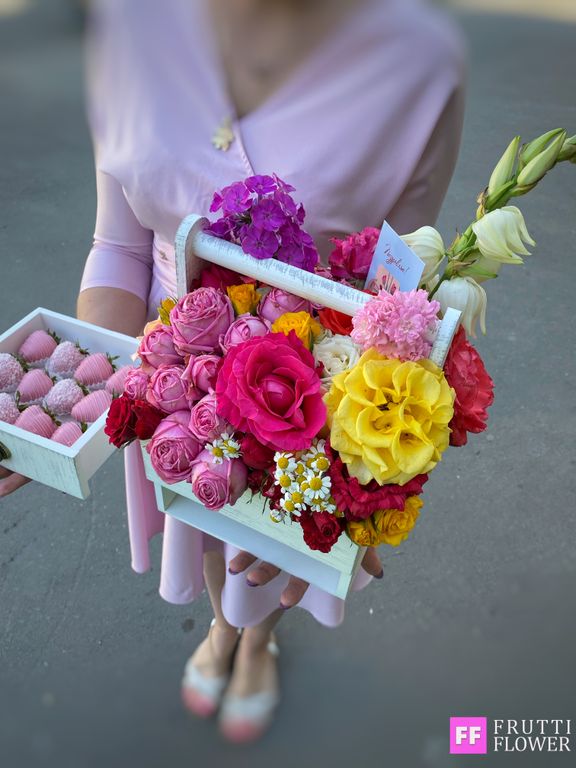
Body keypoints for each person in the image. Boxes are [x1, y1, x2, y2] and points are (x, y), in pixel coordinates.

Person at [0, 0, 465, 743]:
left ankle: (256, 642)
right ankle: (224, 628)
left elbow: (398, 286)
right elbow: (120, 245)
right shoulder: (129, 25)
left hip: (307, 396)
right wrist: (77, 396)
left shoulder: (418, 65)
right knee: (206, 525)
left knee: (272, 554)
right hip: (166, 379)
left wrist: (374, 476)